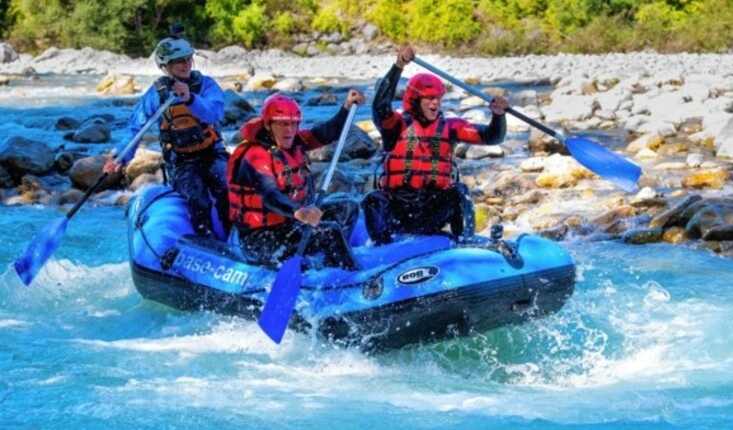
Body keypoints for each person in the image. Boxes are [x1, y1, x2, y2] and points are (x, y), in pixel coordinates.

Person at [363, 46, 509, 245]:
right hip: (398, 212)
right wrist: (398, 66)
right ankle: (383, 248)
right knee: (373, 200)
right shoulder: (395, 125)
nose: (435, 103)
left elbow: (492, 137)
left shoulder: (452, 127)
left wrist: (498, 115)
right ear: (415, 100)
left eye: (438, 98)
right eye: (429, 98)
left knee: (459, 190)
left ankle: (465, 240)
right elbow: (380, 106)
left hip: (432, 211)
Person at [105, 23, 230, 240]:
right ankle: (207, 243)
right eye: (180, 61)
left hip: (212, 154)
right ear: (166, 66)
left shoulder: (205, 85)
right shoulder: (157, 94)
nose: (187, 64)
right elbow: (136, 128)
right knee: (197, 197)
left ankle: (235, 237)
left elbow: (215, 113)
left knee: (227, 187)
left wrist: (190, 98)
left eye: (189, 58)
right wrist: (120, 158)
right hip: (181, 161)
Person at [227, 91, 365, 270]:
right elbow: (270, 195)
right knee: (328, 231)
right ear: (269, 125)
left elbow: (326, 133)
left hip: (288, 224)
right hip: (259, 239)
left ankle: (330, 262)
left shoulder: (296, 142)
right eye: (283, 124)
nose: (290, 130)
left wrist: (346, 107)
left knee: (347, 208)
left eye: (293, 124)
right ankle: (346, 277)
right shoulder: (256, 156)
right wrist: (298, 212)